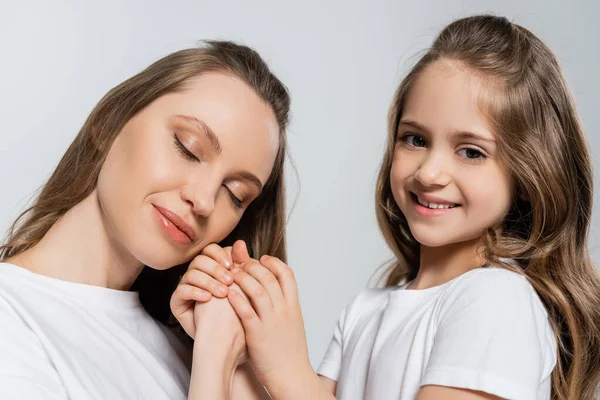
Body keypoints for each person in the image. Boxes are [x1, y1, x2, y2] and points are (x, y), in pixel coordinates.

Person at [188, 15, 600, 400]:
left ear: (527, 176)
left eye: (471, 152)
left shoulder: (496, 300)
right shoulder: (366, 310)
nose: (430, 172)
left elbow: (298, 390)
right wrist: (230, 342)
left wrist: (290, 370)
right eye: (415, 139)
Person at [0, 40, 290, 399]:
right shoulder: (11, 315)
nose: (202, 200)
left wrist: (225, 361)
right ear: (109, 124)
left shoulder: (199, 347)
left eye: (235, 194)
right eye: (187, 147)